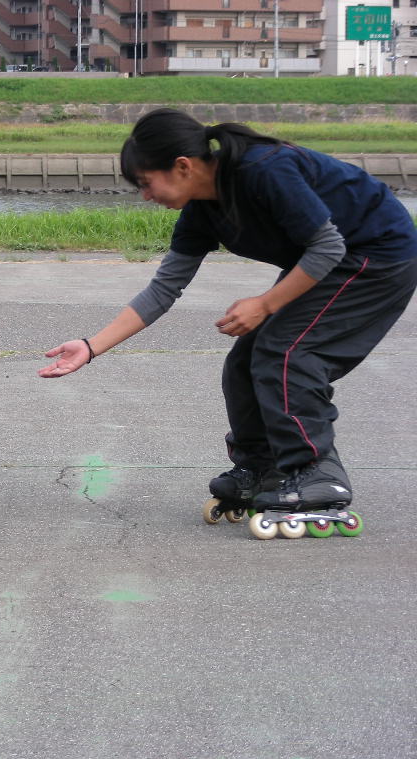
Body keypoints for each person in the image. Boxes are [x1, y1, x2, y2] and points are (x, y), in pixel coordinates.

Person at [39, 108, 417, 516]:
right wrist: (90, 347)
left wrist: (266, 304)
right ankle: (264, 467)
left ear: (182, 166)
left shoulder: (264, 170)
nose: (145, 196)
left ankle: (316, 473)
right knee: (245, 361)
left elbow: (328, 246)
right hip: (330, 262)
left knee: (287, 354)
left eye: (146, 183)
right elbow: (164, 289)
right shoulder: (202, 211)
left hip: (377, 255)